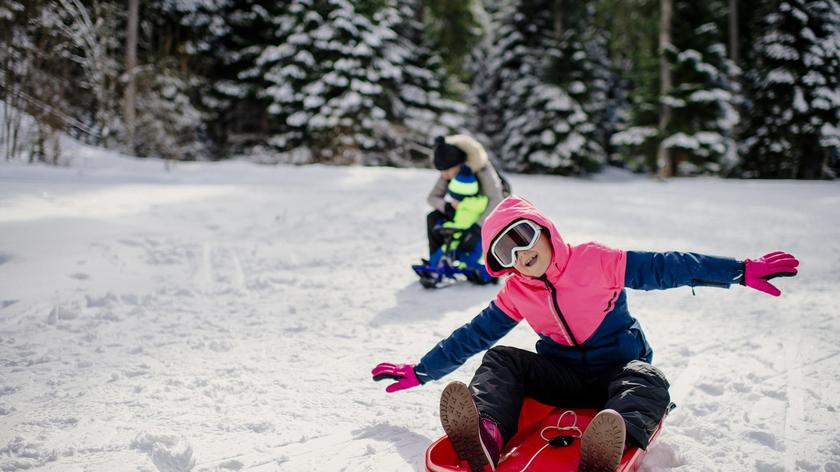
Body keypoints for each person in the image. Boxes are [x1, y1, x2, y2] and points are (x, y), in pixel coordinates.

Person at [373, 195, 799, 472]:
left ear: (543, 229)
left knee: (648, 380)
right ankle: (486, 435)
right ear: (502, 265)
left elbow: (668, 265)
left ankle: (610, 449)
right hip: (563, 379)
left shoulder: (595, 261)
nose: (521, 254)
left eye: (522, 236)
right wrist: (422, 370)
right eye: (506, 252)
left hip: (616, 376)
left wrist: (739, 271)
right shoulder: (517, 292)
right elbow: (473, 334)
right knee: (501, 357)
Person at [426, 135, 507, 261]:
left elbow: (497, 201)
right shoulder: (447, 173)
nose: (444, 176)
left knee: (478, 234)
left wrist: (478, 227)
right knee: (433, 217)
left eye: (447, 171)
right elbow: (432, 197)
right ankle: (437, 262)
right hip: (464, 210)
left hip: (487, 213)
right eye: (442, 172)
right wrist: (447, 207)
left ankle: (488, 262)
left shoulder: (482, 170)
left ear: (460, 164)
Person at [425, 166, 495, 285]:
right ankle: (432, 267)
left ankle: (489, 275)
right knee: (447, 253)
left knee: (466, 262)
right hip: (463, 241)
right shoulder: (474, 203)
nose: (452, 201)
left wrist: (443, 225)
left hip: (470, 244)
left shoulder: (466, 209)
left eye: (454, 198)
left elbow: (461, 225)